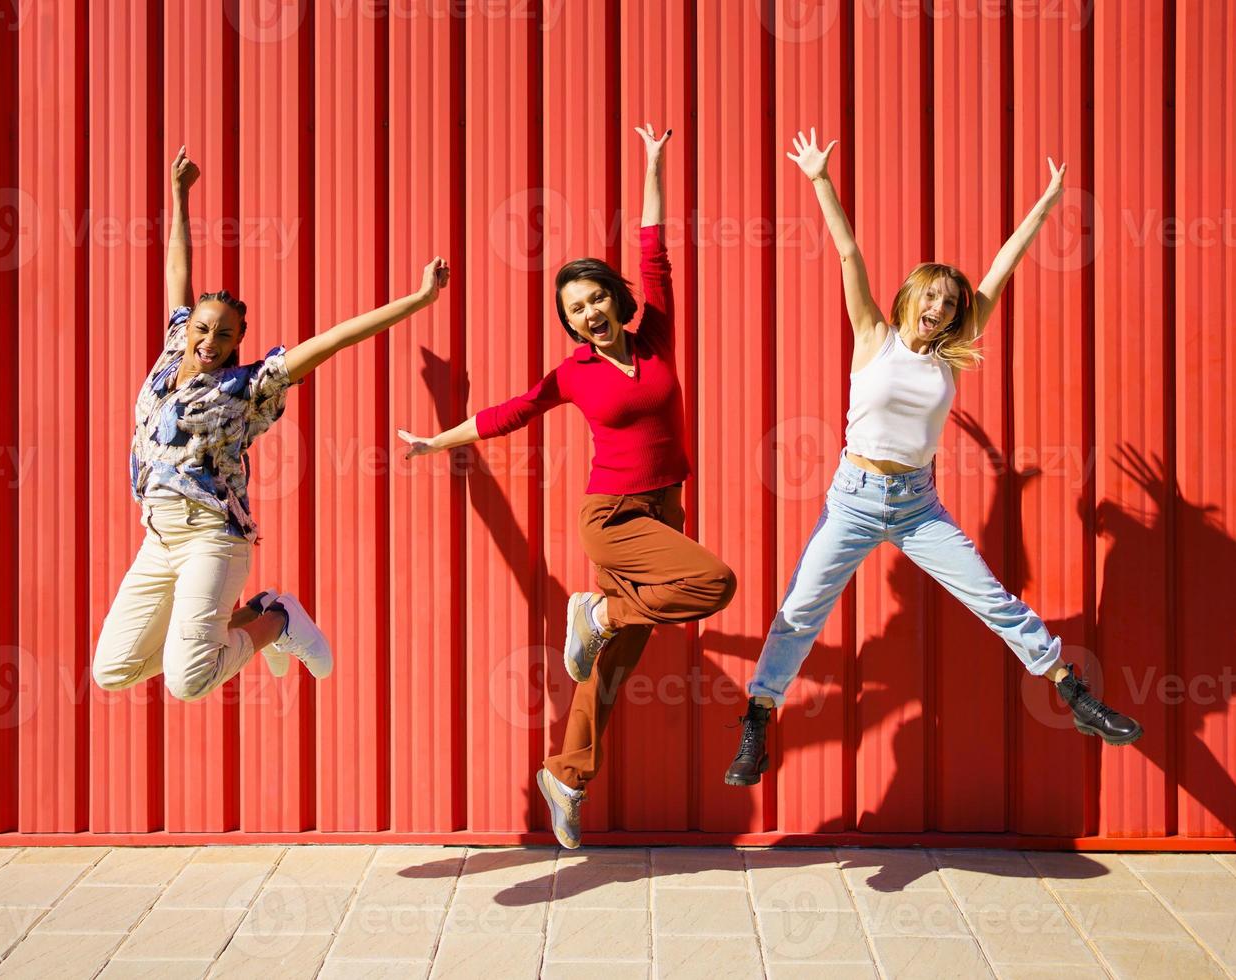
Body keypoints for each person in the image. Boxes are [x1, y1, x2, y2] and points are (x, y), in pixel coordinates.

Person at [724, 129, 1141, 788]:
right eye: (931, 297)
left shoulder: (952, 353)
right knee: (801, 609)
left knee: (993, 598)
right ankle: (758, 716)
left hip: (918, 507)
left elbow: (1003, 267)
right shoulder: (874, 338)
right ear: (910, 299)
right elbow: (847, 251)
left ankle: (1074, 693)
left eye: (949, 302)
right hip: (855, 499)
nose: (939, 308)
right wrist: (819, 181)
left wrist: (1047, 203)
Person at [398, 125, 735, 848]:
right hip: (613, 518)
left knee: (608, 674)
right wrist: (435, 440)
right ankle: (603, 614)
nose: (589, 312)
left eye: (595, 299)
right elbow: (506, 414)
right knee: (715, 584)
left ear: (616, 299)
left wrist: (652, 162)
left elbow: (657, 253)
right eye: (575, 309)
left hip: (665, 508)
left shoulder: (656, 338)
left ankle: (566, 774)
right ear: (572, 324)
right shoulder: (572, 375)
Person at [92, 145, 449, 701]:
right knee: (112, 670)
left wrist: (419, 298)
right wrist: (179, 195)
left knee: (188, 681)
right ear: (188, 330)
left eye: (225, 335)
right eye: (204, 330)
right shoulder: (169, 353)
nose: (210, 342)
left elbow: (336, 338)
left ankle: (277, 620)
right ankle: (251, 620)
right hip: (158, 537)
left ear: (239, 342)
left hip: (212, 535)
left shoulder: (248, 387)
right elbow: (177, 269)